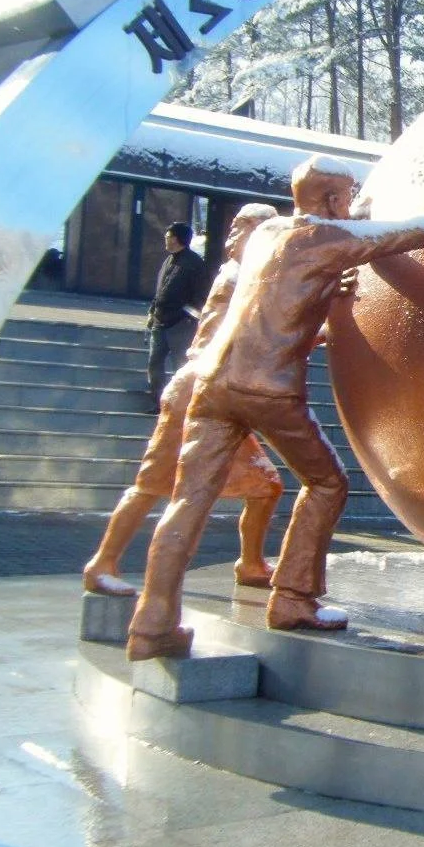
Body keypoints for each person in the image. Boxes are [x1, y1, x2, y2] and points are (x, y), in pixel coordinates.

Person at [126, 158, 424, 660]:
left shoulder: (266, 234)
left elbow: (282, 301)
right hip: (269, 389)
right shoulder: (327, 239)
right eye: (347, 197)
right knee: (327, 483)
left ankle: (152, 623)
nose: (351, 206)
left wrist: (329, 290)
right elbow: (408, 235)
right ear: (331, 201)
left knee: (188, 501)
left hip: (213, 385)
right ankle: (293, 598)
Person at [83, 203, 284, 598]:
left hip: (218, 391)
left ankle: (250, 563)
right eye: (264, 234)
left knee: (265, 485)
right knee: (152, 483)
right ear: (242, 236)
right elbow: (259, 335)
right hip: (199, 390)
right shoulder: (243, 277)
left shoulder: (249, 275)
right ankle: (102, 562)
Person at [146, 221, 208, 412]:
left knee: (181, 367)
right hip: (160, 321)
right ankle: (159, 402)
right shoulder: (168, 260)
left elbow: (200, 296)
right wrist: (151, 312)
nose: (165, 239)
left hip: (180, 325)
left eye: (168, 236)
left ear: (177, 238)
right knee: (154, 364)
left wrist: (187, 317)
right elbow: (161, 290)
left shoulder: (194, 263)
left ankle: (182, 407)